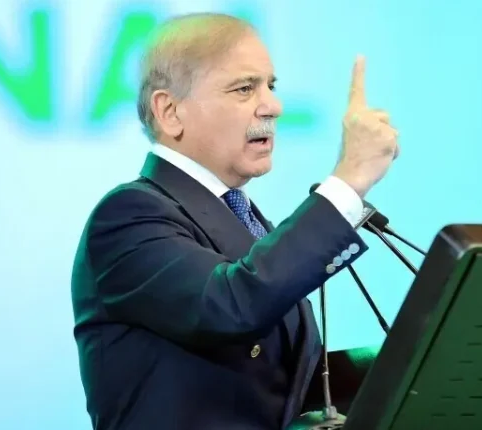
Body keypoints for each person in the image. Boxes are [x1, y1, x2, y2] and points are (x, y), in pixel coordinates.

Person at [70, 12, 399, 430]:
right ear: (170, 111)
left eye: (270, 86)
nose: (274, 106)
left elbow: (283, 384)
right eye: (244, 88)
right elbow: (232, 306)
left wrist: (413, 359)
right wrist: (348, 181)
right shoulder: (127, 216)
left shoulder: (241, 216)